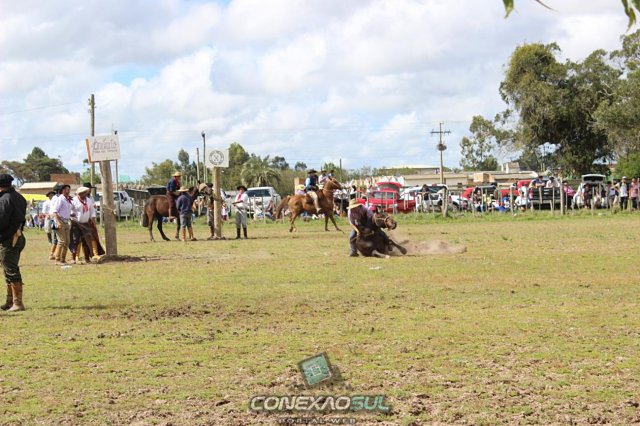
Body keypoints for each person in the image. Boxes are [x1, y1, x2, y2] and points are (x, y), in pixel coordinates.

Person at [0, 174, 27, 312]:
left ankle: (17, 303)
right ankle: (10, 301)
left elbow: (2, 221)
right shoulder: (19, 197)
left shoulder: (5, 199)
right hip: (18, 236)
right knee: (8, 268)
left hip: (8, 239)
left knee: (10, 270)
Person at [70, 186, 103, 263]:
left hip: (86, 223)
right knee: (76, 241)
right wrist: (71, 218)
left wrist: (93, 219)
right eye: (83, 193)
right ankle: (73, 258)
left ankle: (87, 258)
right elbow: (69, 210)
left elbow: (92, 211)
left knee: (86, 241)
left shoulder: (88, 200)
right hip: (76, 224)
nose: (85, 194)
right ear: (79, 194)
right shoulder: (74, 200)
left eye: (85, 193)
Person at [50, 184, 72, 265]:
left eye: (69, 189)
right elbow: (55, 211)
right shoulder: (60, 199)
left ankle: (63, 259)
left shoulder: (67, 200)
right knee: (61, 241)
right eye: (67, 189)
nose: (68, 191)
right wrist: (58, 222)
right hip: (61, 222)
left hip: (66, 222)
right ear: (63, 190)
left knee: (67, 241)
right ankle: (57, 259)